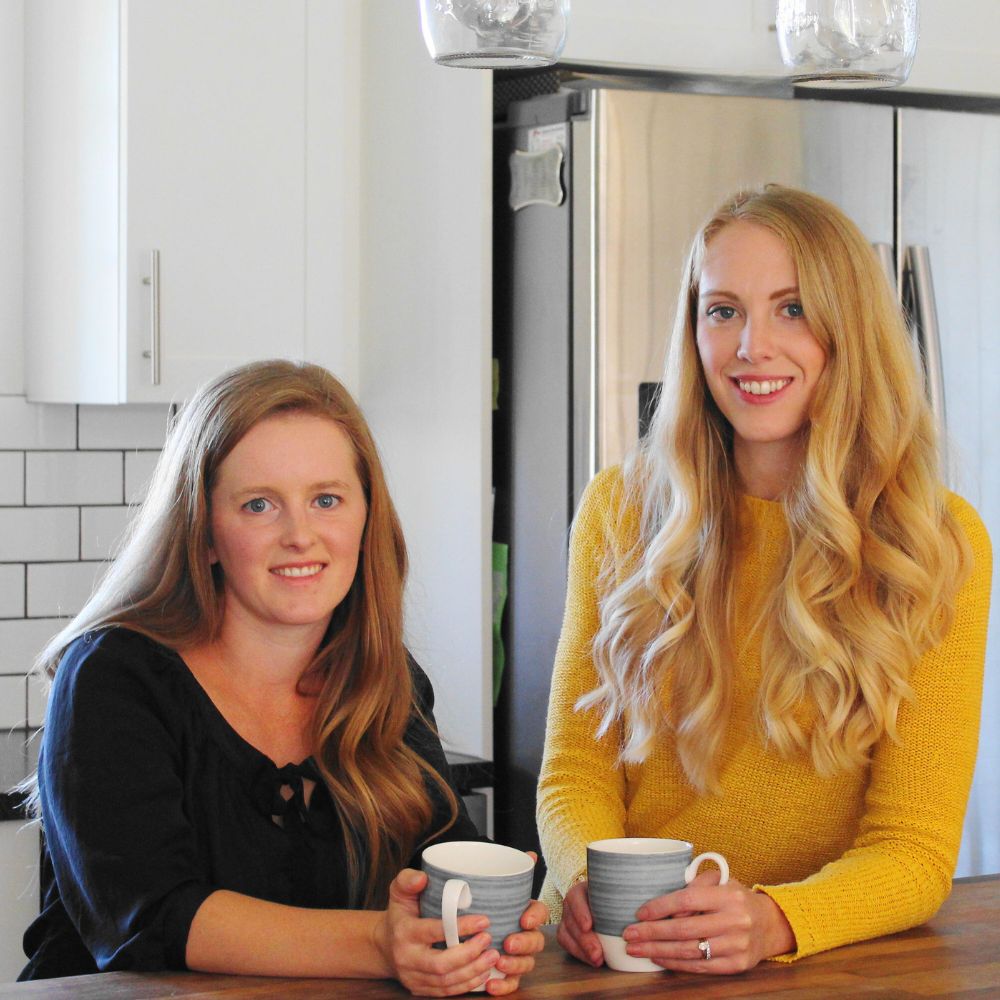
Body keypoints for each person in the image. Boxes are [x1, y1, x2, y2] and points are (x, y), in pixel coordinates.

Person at [536, 185, 992, 975]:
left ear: (849, 330)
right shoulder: (619, 510)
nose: (752, 345)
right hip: (623, 960)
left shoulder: (936, 542)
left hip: (812, 970)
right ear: (694, 332)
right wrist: (583, 880)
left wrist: (775, 919)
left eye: (792, 309)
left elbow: (913, 852)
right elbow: (575, 772)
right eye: (722, 311)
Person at [19, 359, 546, 994]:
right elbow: (152, 918)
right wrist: (381, 943)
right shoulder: (113, 676)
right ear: (204, 533)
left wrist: (487, 931)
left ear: (365, 518)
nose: (301, 535)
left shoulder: (384, 682)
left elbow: (445, 868)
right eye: (259, 505)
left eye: (326, 499)